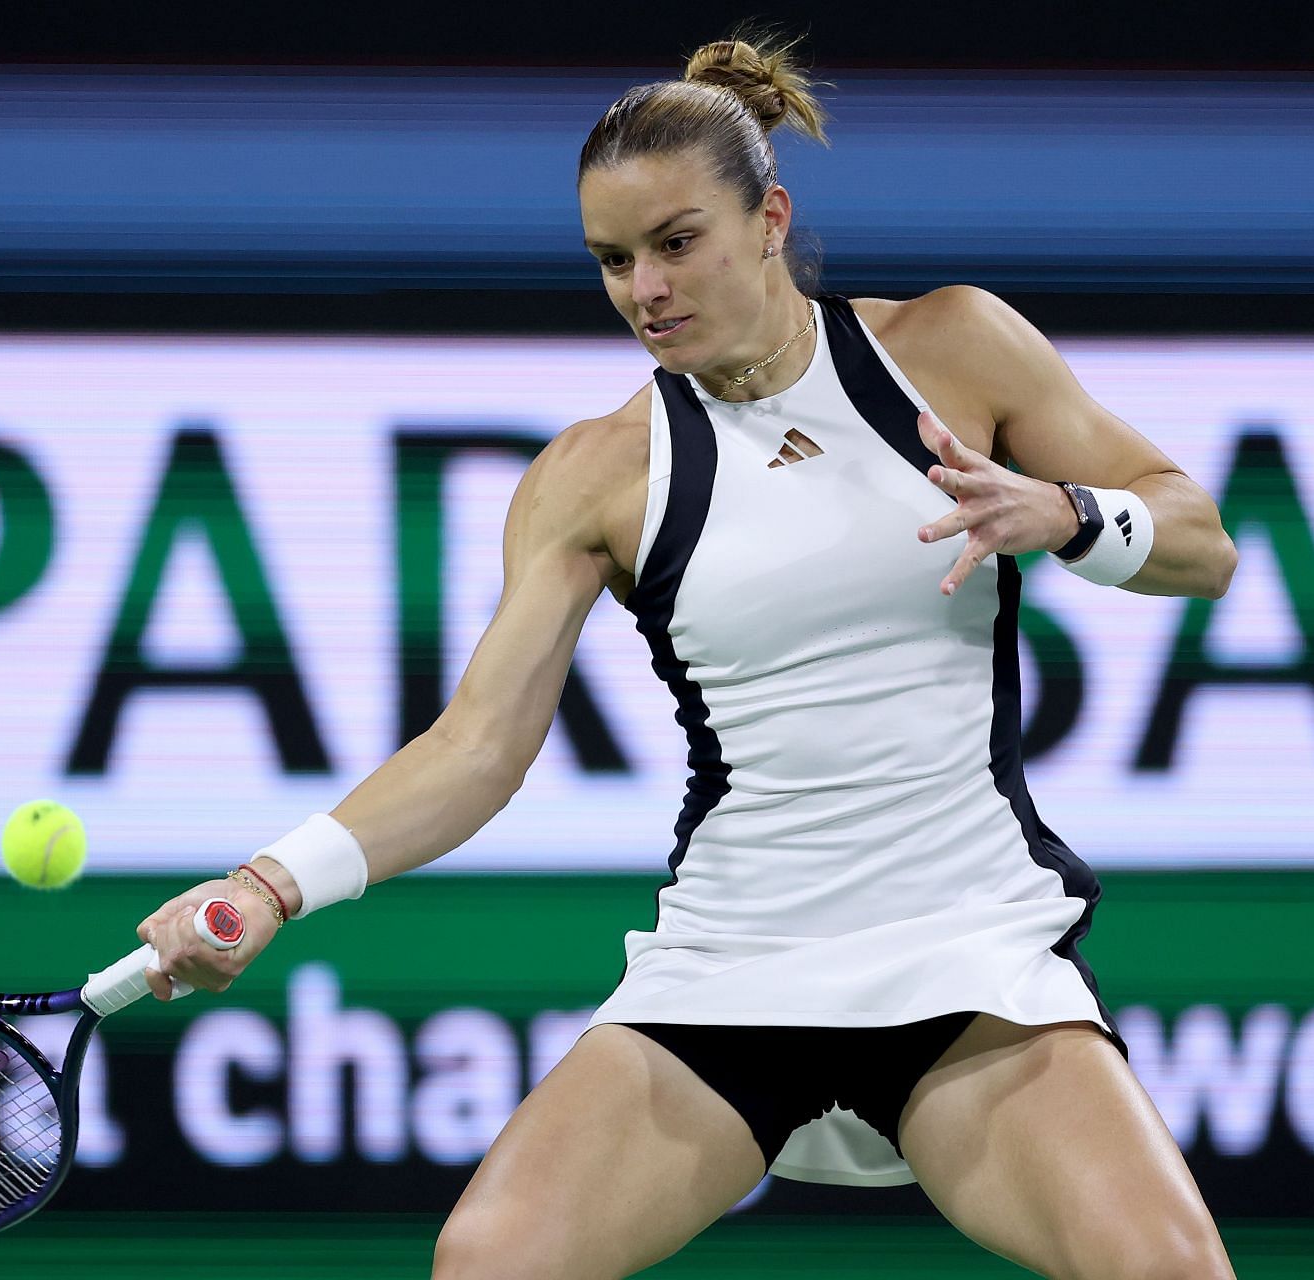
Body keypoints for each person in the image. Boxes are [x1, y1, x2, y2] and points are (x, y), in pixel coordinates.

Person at [137, 31, 1240, 1280]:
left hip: (968, 954)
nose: (644, 289)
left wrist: (1074, 517)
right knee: (486, 1263)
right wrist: (276, 883)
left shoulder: (950, 348)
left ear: (769, 217)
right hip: (733, 965)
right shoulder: (596, 474)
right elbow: (480, 745)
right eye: (613, 261)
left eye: (677, 242)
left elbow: (1203, 542)